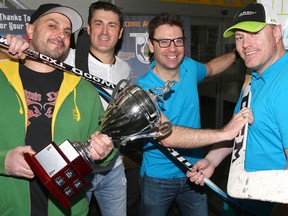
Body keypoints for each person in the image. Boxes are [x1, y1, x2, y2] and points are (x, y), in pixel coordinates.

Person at [0, 3, 116, 216]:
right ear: (30, 30)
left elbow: (105, 148)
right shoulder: (1, 75)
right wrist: (3, 162)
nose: (61, 34)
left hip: (69, 211)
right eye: (52, 25)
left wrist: (106, 150)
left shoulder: (84, 89)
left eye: (66, 31)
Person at [135, 12, 251, 216]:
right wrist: (224, 133)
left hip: (195, 171)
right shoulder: (142, 90)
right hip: (158, 178)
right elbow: (168, 136)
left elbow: (212, 67)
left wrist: (236, 53)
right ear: (151, 46)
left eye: (177, 41)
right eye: (164, 42)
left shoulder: (188, 66)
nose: (172, 48)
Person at [186, 3, 288, 216]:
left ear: (277, 32)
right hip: (241, 192)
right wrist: (211, 160)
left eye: (254, 32)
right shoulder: (255, 78)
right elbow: (237, 130)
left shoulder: (284, 82)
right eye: (240, 37)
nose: (245, 44)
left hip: (270, 203)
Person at [64, 2, 130, 216]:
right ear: (89, 29)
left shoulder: (125, 68)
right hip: (77, 166)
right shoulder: (67, 59)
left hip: (114, 167)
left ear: (120, 33)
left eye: (111, 25)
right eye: (98, 23)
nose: (104, 31)